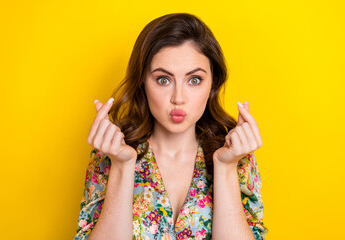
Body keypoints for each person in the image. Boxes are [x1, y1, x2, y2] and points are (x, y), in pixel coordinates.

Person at [73, 13, 268, 240]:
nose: (178, 98)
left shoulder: (235, 155)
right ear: (142, 82)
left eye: (194, 80)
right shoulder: (111, 152)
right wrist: (121, 166)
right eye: (163, 80)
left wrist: (225, 168)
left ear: (212, 83)